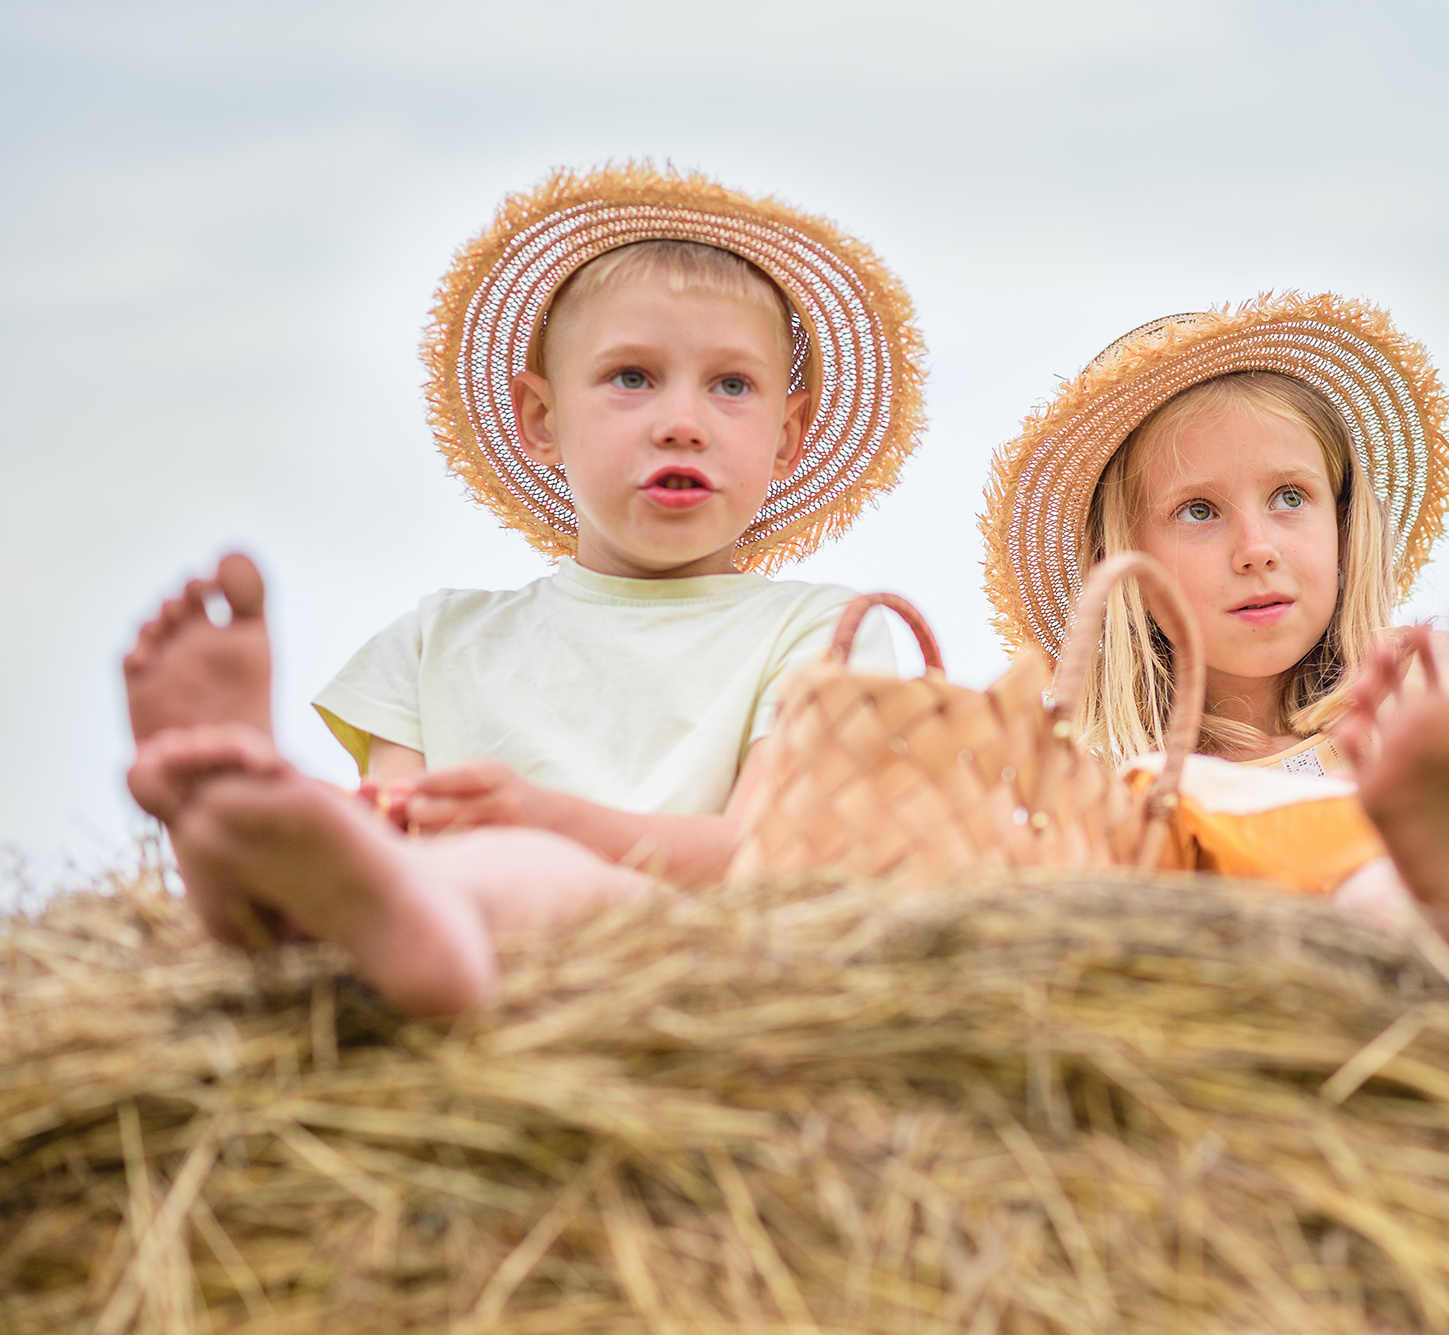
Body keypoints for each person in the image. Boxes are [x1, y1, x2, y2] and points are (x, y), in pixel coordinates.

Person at [121, 164, 925, 1016]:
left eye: (732, 385)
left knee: (529, 867)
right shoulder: (437, 638)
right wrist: (337, 812)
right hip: (420, 886)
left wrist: (545, 821)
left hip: (672, 946)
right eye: (632, 377)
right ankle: (234, 812)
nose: (682, 422)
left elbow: (762, 855)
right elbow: (391, 821)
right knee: (346, 840)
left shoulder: (821, 631)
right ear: (542, 419)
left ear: (788, 435)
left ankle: (385, 914)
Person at [980, 295, 1449, 997]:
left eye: (1290, 497)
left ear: (1346, 523)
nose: (1256, 548)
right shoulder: (1100, 781)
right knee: (1369, 896)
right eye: (1199, 511)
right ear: (1124, 561)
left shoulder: (1432, 693)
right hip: (1304, 982)